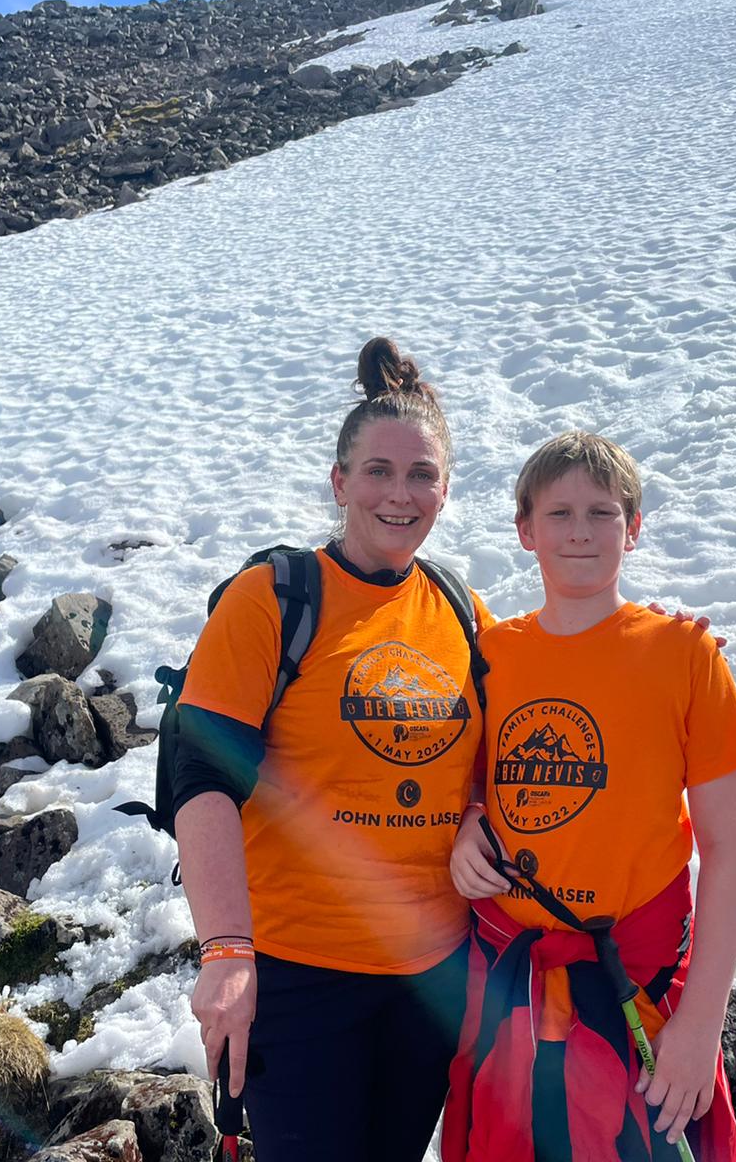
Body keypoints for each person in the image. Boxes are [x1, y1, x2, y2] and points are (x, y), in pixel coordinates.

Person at [172, 337, 492, 1162]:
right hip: (298, 975)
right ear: (339, 482)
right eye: (378, 471)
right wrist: (226, 952)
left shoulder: (462, 611)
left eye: (421, 474)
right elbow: (199, 775)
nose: (400, 493)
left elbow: (503, 754)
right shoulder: (274, 599)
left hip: (430, 978)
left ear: (446, 491)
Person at [445, 430, 736, 1162]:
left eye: (602, 512)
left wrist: (698, 1024)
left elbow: (728, 850)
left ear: (635, 528)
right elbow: (467, 776)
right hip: (509, 992)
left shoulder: (683, 654)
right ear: (525, 531)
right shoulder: (494, 656)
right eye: (558, 514)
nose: (581, 532)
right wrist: (468, 822)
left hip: (638, 990)